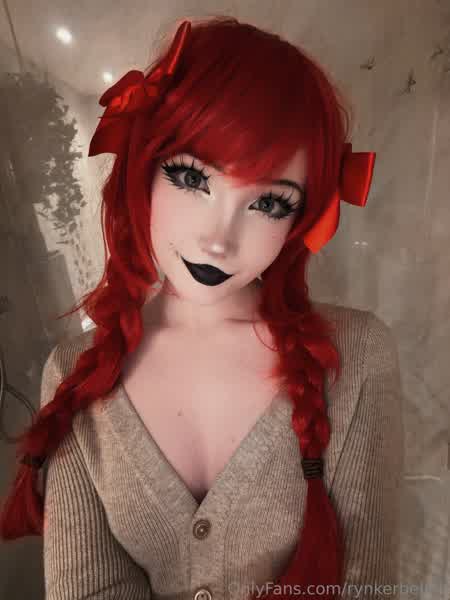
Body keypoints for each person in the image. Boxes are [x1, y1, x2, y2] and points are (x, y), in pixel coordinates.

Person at [0, 16, 404, 600]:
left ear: (301, 220)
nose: (219, 240)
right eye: (191, 177)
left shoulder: (359, 357)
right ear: (143, 169)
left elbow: (365, 581)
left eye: (269, 202)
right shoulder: (72, 373)